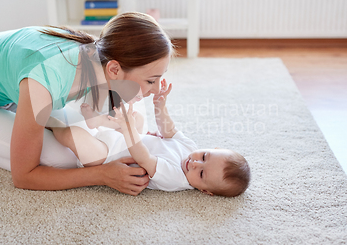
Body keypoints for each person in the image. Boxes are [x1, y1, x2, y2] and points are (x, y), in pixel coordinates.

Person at [0, 12, 173, 195]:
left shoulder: (95, 57)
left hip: (6, 95)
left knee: (85, 135)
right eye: (151, 80)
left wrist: (137, 131)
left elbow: (106, 118)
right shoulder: (45, 81)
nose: (154, 90)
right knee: (64, 158)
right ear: (115, 69)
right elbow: (25, 178)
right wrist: (102, 175)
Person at [51, 79, 251, 197]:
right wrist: (160, 106)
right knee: (137, 118)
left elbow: (143, 158)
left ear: (205, 191)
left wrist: (127, 128)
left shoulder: (176, 179)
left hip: (107, 157)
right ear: (213, 148)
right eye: (205, 157)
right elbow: (168, 130)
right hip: (125, 138)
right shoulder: (190, 147)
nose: (195, 163)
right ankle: (97, 122)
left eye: (201, 174)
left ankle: (50, 124)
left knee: (73, 136)